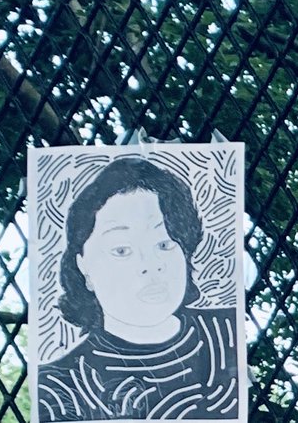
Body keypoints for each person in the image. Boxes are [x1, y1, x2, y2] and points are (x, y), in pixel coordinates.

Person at [37, 157, 240, 421]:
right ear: (83, 266)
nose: (150, 265)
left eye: (165, 244)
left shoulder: (229, 333)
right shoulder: (60, 385)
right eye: (122, 250)